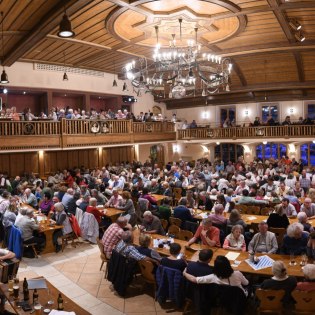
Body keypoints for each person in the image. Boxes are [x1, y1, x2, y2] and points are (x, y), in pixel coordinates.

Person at [183, 255, 249, 296]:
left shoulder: (213, 277)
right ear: (228, 264)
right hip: (239, 297)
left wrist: (185, 273)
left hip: (223, 298)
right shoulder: (237, 273)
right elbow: (246, 283)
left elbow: (194, 279)